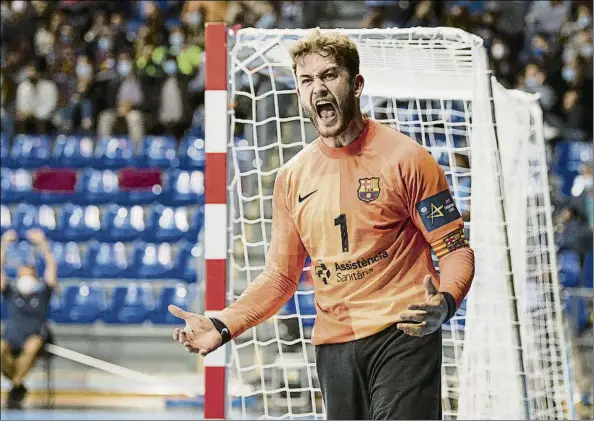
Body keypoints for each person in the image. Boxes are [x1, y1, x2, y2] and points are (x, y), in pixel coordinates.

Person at [167, 30, 475, 420]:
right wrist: (223, 323)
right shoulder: (291, 178)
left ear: (356, 84)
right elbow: (281, 277)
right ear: (298, 92)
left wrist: (444, 302)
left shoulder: (408, 159)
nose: (318, 89)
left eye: (329, 76)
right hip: (335, 346)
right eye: (307, 80)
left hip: (404, 334)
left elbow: (456, 250)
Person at [0, 229, 57, 409]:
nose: (24, 278)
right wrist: (4, 244)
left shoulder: (42, 293)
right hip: (12, 338)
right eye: (21, 274)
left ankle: (15, 386)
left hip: (35, 338)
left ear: (35, 277)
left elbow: (52, 269)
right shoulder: (12, 292)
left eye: (28, 274)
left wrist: (43, 244)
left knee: (32, 345)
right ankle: (17, 385)